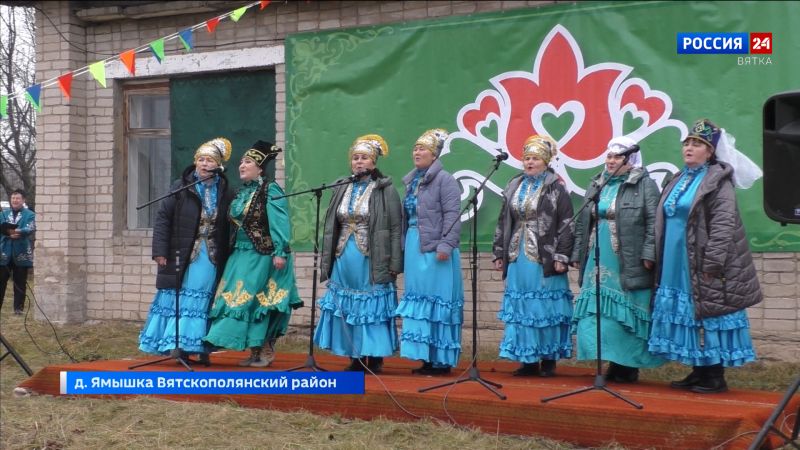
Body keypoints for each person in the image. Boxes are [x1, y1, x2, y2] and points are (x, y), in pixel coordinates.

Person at [648, 119, 762, 393]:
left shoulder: (717, 181)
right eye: (687, 142)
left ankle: (714, 374)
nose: (689, 147)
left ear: (710, 152)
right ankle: (698, 370)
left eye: (697, 144)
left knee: (707, 311)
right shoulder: (677, 178)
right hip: (676, 259)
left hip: (700, 260)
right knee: (690, 311)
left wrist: (713, 261)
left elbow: (724, 224)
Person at [570, 137, 665, 383]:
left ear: (630, 159)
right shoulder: (597, 183)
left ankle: (627, 364)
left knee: (626, 308)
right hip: (596, 253)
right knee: (599, 310)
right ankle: (608, 358)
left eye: (616, 156)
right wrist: (578, 253)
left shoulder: (644, 185)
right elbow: (583, 223)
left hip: (627, 255)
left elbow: (654, 222)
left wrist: (649, 253)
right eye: (608, 156)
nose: (610, 161)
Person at [204, 141, 303, 367]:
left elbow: (279, 223)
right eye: (241, 161)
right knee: (239, 300)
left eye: (247, 162)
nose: (241, 165)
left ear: (260, 168)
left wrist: (280, 251)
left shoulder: (270, 189)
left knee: (259, 302)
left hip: (263, 254)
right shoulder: (241, 193)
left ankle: (264, 347)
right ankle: (253, 350)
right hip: (239, 254)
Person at [138, 138, 234, 362]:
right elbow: (163, 218)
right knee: (180, 297)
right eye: (200, 159)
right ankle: (178, 345)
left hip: (210, 255)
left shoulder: (226, 191)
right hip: (182, 252)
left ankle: (201, 346)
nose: (203, 164)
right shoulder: (181, 186)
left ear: (218, 165)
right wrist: (160, 250)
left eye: (209, 160)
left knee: (203, 297)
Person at [313, 134, 403, 373]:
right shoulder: (343, 186)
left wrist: (395, 261)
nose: (359, 162)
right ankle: (354, 354)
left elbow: (395, 228)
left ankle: (373, 355)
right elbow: (333, 224)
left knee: (370, 304)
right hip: (344, 254)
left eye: (364, 158)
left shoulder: (385, 189)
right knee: (347, 305)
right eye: (355, 158)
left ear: (374, 162)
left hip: (371, 257)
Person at [492, 135, 574, 377]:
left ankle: (548, 359)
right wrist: (499, 251)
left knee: (544, 306)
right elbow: (503, 221)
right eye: (526, 158)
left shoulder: (556, 187)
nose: (529, 162)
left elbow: (567, 224)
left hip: (544, 256)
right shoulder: (514, 185)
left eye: (535, 158)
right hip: (518, 255)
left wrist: (561, 255)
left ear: (546, 161)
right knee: (522, 306)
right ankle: (527, 359)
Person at [396, 129, 464, 375]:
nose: (417, 152)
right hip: (415, 245)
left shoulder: (445, 179)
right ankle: (425, 356)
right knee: (420, 300)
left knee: (437, 300)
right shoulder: (413, 180)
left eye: (422, 148)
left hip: (437, 248)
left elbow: (453, 215)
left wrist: (446, 245)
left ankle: (441, 359)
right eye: (415, 148)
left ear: (434, 155)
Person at [0, 189, 35, 315]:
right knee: (1, 281)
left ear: (23, 200)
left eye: (18, 198)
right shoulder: (3, 214)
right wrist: (8, 233)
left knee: (20, 282)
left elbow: (30, 228)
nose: (15, 200)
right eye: (13, 198)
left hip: (21, 253)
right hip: (4, 253)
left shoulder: (29, 214)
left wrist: (17, 231)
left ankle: (18, 309)